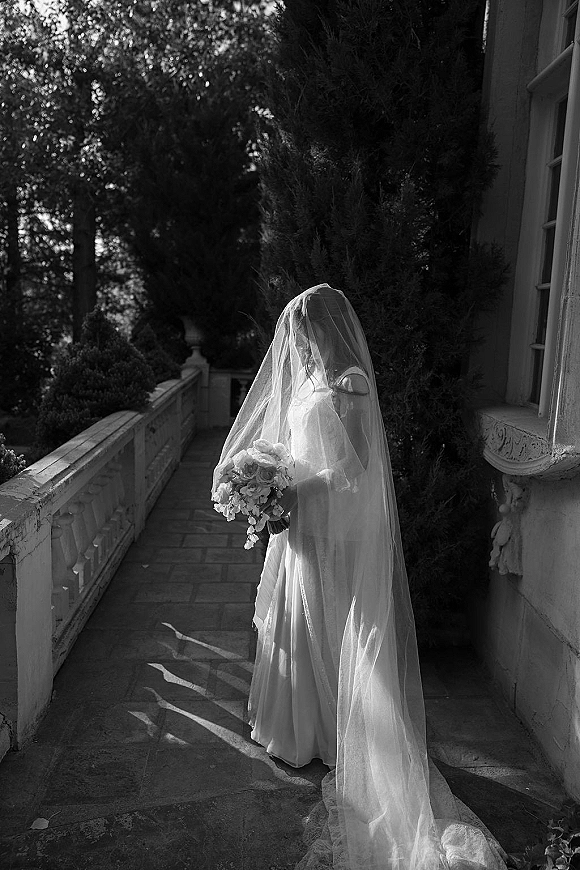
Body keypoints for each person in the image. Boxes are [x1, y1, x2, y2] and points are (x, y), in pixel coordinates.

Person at [212, 284, 507, 870]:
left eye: (299, 331)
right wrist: (264, 476)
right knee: (301, 617)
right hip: (302, 524)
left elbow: (351, 466)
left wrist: (283, 485)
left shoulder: (350, 382)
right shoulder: (313, 385)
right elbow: (303, 445)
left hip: (330, 525)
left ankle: (335, 734)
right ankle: (301, 729)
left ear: (320, 328)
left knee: (328, 622)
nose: (293, 343)